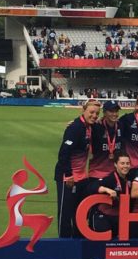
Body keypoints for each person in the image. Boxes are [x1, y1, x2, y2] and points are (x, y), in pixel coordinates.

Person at [55, 99, 101, 238]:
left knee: (79, 210)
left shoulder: (90, 126)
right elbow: (64, 153)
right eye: (91, 112)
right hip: (68, 177)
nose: (94, 115)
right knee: (65, 212)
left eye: (97, 113)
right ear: (83, 110)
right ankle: (64, 243)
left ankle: (77, 240)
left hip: (81, 177)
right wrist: (69, 175)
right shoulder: (75, 128)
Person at [88, 151, 131, 238]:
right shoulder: (110, 178)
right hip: (104, 216)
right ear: (115, 164)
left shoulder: (130, 178)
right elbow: (92, 186)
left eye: (127, 163)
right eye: (122, 163)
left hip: (121, 217)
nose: (125, 166)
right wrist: (107, 190)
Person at [89, 100, 124, 180]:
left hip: (115, 174)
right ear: (104, 113)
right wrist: (73, 123)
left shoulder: (121, 126)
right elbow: (82, 125)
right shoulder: (96, 126)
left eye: (116, 111)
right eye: (111, 111)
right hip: (96, 173)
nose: (114, 114)